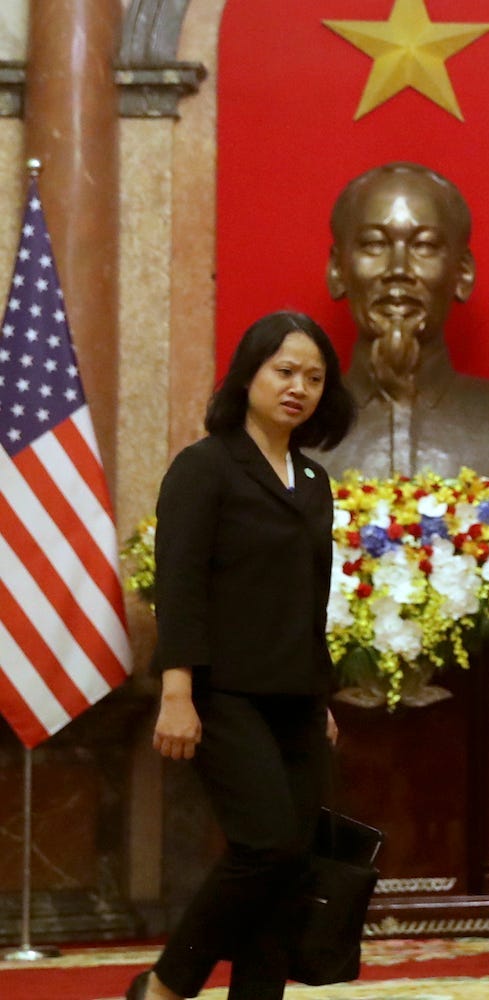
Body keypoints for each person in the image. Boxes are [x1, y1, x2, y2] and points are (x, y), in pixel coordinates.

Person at [131, 311, 356, 1000]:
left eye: (314, 377)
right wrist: (177, 693)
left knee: (289, 869)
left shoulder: (314, 482)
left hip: (295, 696)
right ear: (248, 374)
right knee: (267, 848)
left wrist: (320, 701)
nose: (299, 387)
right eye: (284, 371)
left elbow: (309, 598)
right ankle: (169, 982)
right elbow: (180, 583)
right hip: (220, 691)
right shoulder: (204, 467)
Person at [312, 161, 489, 480]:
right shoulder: (299, 421)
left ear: (463, 273)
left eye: (424, 246)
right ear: (337, 271)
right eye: (374, 244)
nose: (398, 269)